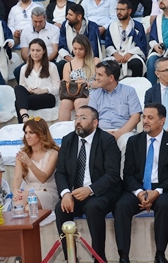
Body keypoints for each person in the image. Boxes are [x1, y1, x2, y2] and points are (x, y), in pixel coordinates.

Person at [114, 103, 168, 263]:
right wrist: (139, 194)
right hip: (138, 188)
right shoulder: (133, 142)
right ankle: (123, 256)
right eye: (144, 117)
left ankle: (160, 254)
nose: (145, 121)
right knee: (121, 206)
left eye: (150, 117)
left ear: (162, 120)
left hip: (164, 189)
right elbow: (127, 174)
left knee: (164, 205)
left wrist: (156, 192)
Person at [55, 105, 122, 263]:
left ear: (95, 123)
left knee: (93, 207)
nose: (78, 121)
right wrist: (65, 194)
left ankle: (99, 257)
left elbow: (112, 174)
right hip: (75, 193)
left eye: (83, 118)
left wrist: (90, 190)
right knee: (61, 208)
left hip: (102, 192)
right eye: (76, 117)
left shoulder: (107, 141)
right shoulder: (68, 140)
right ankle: (70, 258)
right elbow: (60, 172)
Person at [89, 60, 141, 155]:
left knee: (128, 142)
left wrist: (118, 134)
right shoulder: (95, 95)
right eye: (96, 74)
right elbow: (91, 119)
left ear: (111, 78)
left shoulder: (129, 92)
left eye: (100, 75)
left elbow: (136, 117)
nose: (96, 78)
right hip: (101, 132)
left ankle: (123, 171)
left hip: (125, 132)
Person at [12, 117, 59, 212]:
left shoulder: (53, 153)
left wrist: (29, 162)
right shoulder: (22, 154)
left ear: (41, 133)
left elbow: (43, 178)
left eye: (31, 132)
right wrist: (15, 190)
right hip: (28, 194)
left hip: (47, 193)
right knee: (26, 206)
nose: (27, 136)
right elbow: (17, 177)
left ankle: (17, 224)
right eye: (26, 133)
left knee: (25, 201)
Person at [14, 38, 60, 122]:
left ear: (44, 51)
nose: (35, 53)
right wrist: (29, 90)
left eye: (38, 50)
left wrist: (43, 90)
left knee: (18, 103)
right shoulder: (24, 68)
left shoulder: (51, 66)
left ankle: (22, 125)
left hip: (48, 97)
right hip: (32, 96)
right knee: (18, 88)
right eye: (32, 50)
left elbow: (58, 87)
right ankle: (25, 117)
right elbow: (22, 86)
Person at [58, 35, 99, 122]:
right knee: (65, 102)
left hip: (91, 91)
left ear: (86, 49)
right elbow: (66, 84)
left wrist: (86, 83)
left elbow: (101, 82)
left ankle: (82, 127)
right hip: (74, 92)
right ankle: (62, 130)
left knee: (79, 101)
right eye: (75, 48)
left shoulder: (95, 61)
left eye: (80, 49)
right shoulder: (68, 65)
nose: (77, 51)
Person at [104, 0, 148, 79]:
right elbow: (108, 45)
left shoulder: (137, 26)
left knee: (137, 64)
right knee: (106, 65)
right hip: (117, 55)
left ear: (129, 11)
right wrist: (115, 54)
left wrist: (130, 53)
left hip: (132, 55)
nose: (119, 12)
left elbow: (141, 44)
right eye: (117, 9)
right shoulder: (112, 26)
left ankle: (137, 87)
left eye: (122, 9)